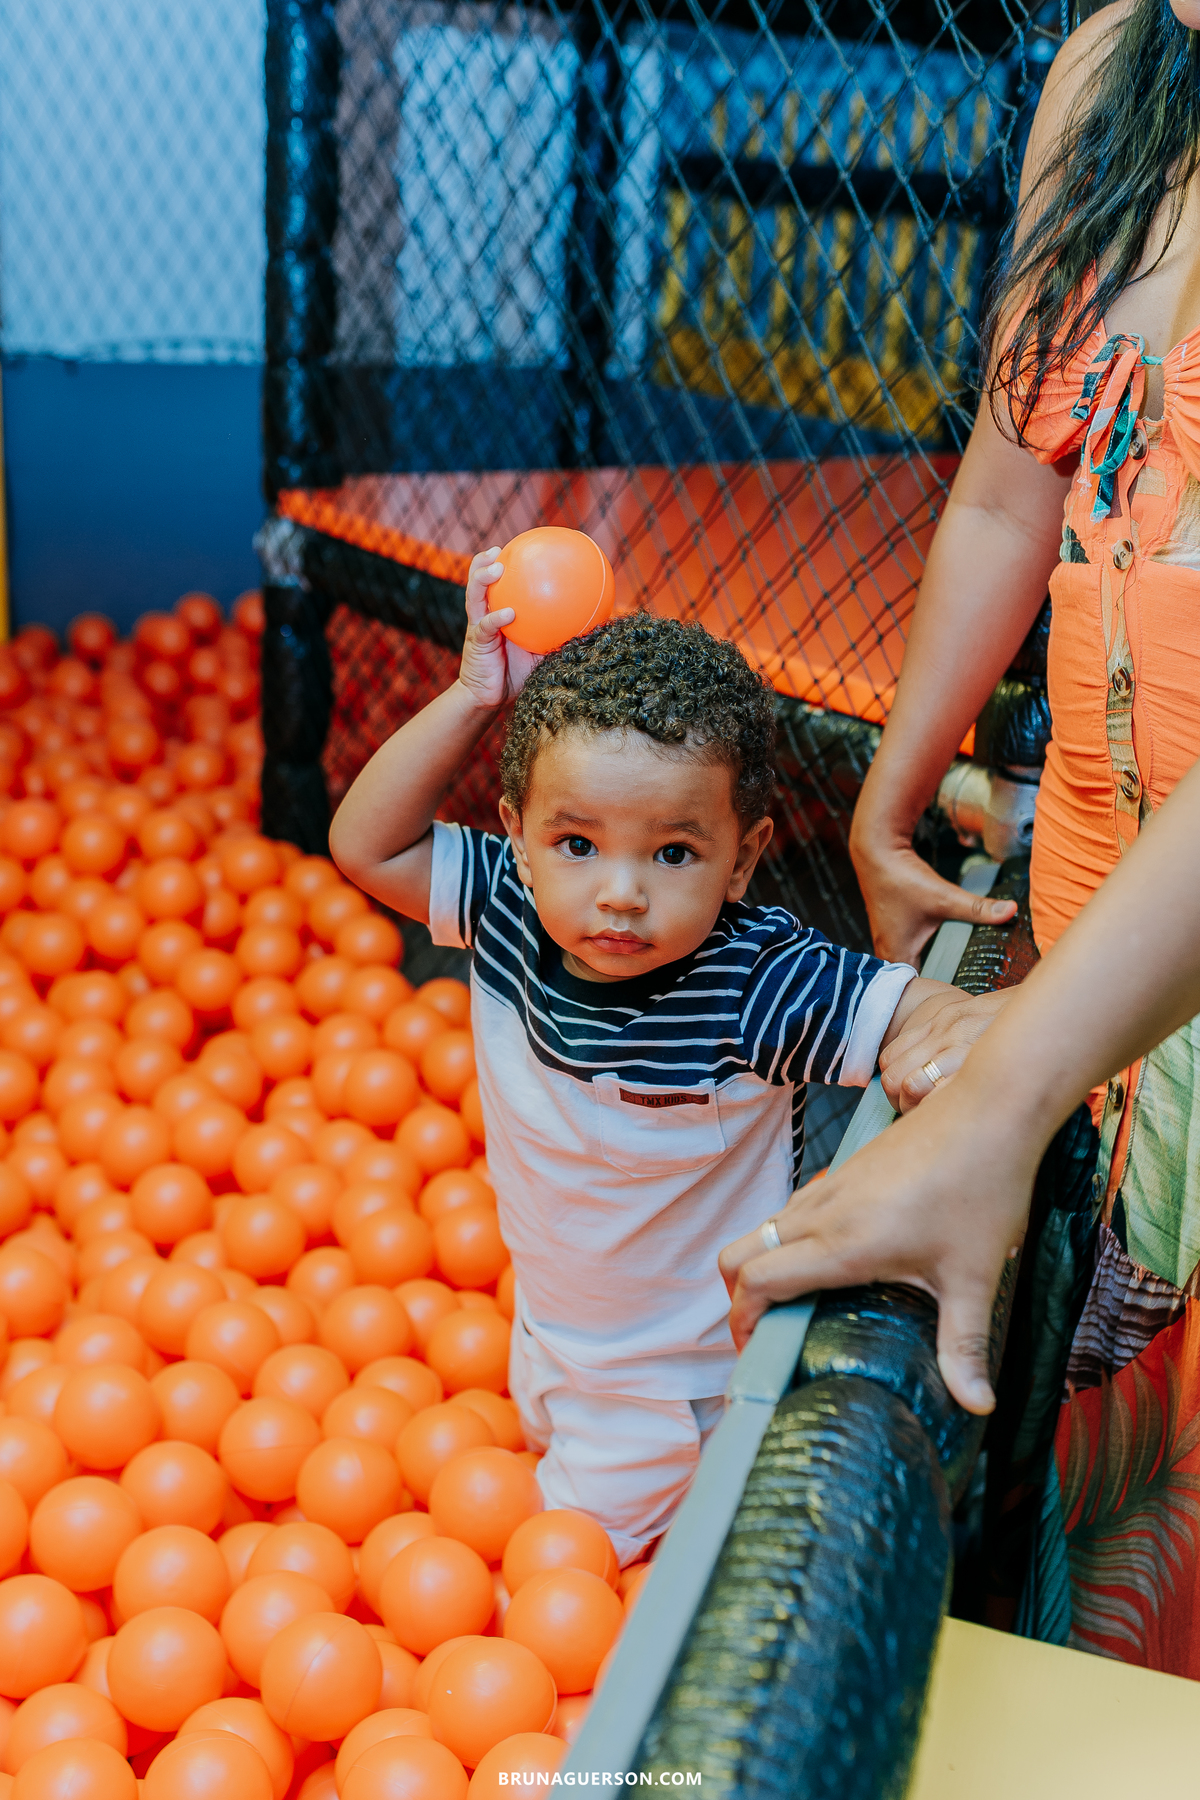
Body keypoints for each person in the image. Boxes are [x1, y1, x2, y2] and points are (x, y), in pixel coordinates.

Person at [805, 0, 1200, 1671]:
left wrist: (1019, 1070)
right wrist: (896, 789)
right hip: (1110, 959)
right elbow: (1006, 481)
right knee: (1103, 1517)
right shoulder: (1123, 67)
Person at [328, 550, 966, 1564]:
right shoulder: (508, 903)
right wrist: (469, 697)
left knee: (570, 1578)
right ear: (520, 837)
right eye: (578, 843)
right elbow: (366, 844)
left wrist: (946, 1044)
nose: (619, 893)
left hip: (678, 1386)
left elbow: (923, 1014)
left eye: (672, 853)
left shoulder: (753, 978)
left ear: (744, 857)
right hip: (548, 1327)